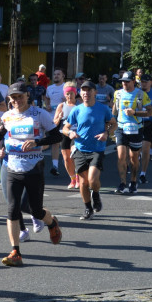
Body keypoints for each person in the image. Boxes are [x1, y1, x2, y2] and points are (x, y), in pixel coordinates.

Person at [0, 80, 63, 267]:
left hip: (34, 167)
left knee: (36, 210)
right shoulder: (7, 117)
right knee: (12, 209)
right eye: (13, 98)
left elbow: (57, 136)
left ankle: (51, 223)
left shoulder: (39, 114)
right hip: (12, 167)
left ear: (27, 96)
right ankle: (15, 251)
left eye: (19, 96)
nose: (16, 100)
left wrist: (37, 142)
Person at [64, 80, 115, 220]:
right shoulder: (77, 110)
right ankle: (88, 208)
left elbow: (113, 124)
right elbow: (65, 127)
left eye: (89, 90)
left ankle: (96, 194)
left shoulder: (103, 109)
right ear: (80, 93)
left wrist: (106, 133)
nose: (86, 93)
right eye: (83, 90)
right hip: (80, 148)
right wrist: (70, 133)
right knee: (83, 182)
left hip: (97, 149)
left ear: (95, 92)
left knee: (92, 180)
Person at [111, 72, 152, 194]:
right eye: (123, 81)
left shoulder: (141, 94)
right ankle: (122, 183)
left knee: (134, 158)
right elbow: (114, 110)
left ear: (133, 81)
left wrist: (135, 113)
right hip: (121, 128)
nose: (124, 83)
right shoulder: (117, 93)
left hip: (136, 128)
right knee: (121, 156)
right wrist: (110, 121)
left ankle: (133, 181)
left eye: (127, 81)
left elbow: (150, 112)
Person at [53, 83, 80, 189]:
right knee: (66, 158)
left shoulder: (79, 106)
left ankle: (78, 177)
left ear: (75, 93)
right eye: (67, 94)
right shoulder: (61, 106)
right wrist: (59, 117)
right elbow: (54, 123)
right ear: (64, 94)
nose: (69, 96)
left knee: (74, 155)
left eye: (71, 93)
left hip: (76, 134)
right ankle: (72, 179)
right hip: (64, 133)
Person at [137, 75, 152, 184]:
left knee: (145, 149)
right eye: (142, 82)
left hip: (149, 123)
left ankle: (143, 173)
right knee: (134, 151)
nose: (144, 84)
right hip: (135, 124)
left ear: (151, 82)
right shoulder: (135, 93)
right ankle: (133, 167)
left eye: (146, 82)